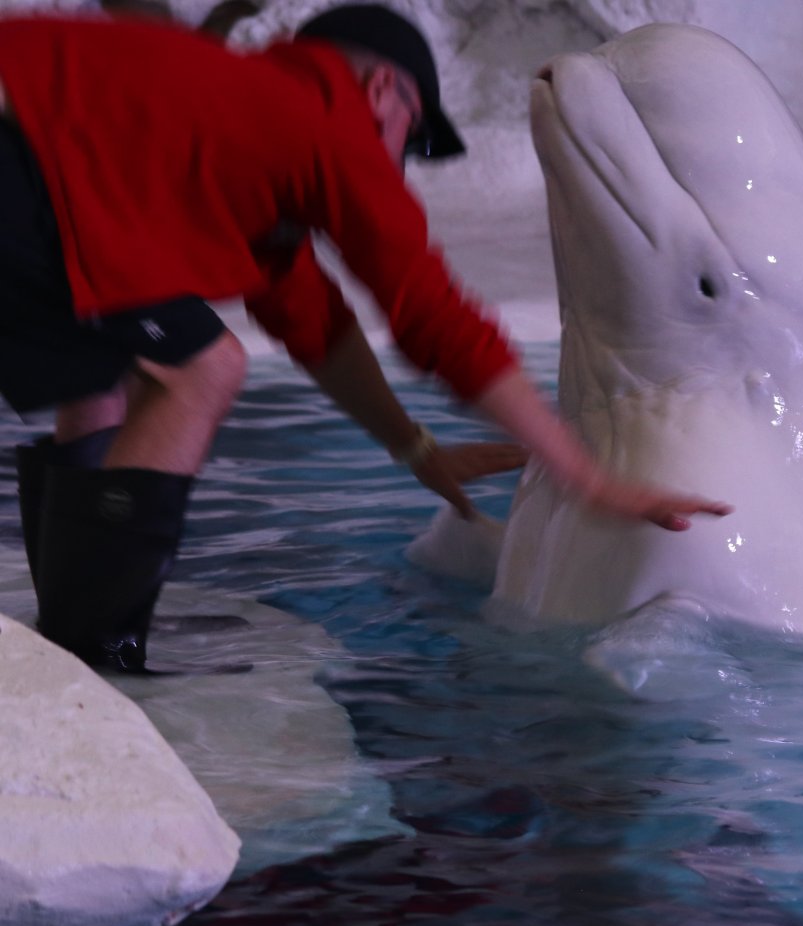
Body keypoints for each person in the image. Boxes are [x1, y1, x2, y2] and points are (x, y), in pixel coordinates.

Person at [0, 4, 730, 673]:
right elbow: (435, 316)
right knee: (201, 369)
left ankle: (73, 636)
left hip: (24, 158)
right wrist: (591, 477)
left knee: (102, 371)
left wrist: (414, 449)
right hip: (15, 154)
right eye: (409, 140)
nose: (398, 166)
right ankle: (100, 655)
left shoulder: (241, 128)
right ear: (383, 92)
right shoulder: (319, 122)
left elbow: (317, 325)